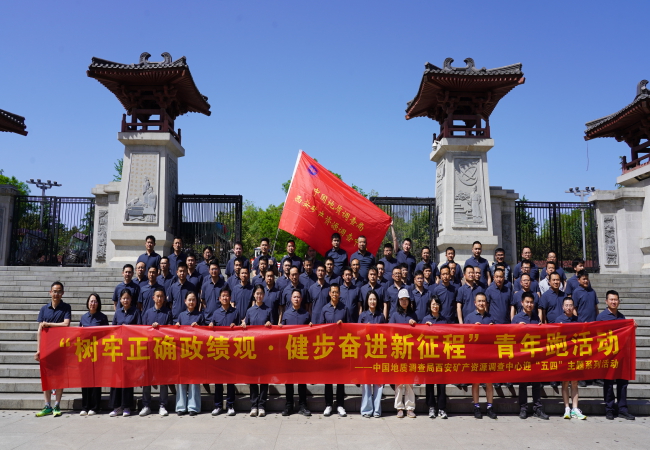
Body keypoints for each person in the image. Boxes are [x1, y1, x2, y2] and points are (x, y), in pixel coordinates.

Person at [35, 282, 72, 417]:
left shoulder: (66, 307)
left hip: (60, 347)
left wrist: (49, 324)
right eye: (54, 291)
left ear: (63, 293)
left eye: (59, 291)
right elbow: (39, 330)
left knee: (59, 377)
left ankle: (57, 405)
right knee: (46, 376)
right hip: (46, 347)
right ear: (50, 292)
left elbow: (66, 324)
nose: (56, 294)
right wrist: (38, 349)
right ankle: (47, 405)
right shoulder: (44, 309)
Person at [597, 290, 636, 420]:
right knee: (608, 383)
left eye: (616, 300)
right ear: (606, 301)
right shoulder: (601, 317)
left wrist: (632, 327)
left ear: (618, 301)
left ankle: (622, 409)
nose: (614, 302)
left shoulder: (622, 317)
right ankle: (609, 408)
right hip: (608, 355)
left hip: (621, 355)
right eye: (611, 299)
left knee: (623, 382)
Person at [512, 293, 549, 420]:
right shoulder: (516, 318)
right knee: (523, 383)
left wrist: (541, 328)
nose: (529, 304)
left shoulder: (536, 318)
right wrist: (518, 328)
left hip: (534, 355)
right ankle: (523, 408)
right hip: (522, 356)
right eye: (527, 302)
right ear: (522, 303)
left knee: (536, 383)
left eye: (531, 302)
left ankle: (537, 408)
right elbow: (511, 337)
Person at [140, 287, 173, 417]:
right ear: (153, 298)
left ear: (164, 298)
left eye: (161, 296)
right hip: (149, 351)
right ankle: (146, 405)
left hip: (163, 350)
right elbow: (143, 331)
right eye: (157, 296)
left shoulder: (168, 313)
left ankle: (162, 405)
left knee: (163, 379)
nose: (159, 298)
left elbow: (170, 331)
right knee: (147, 379)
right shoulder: (147, 313)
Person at [464, 293, 497, 419]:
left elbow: (496, 337)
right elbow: (464, 337)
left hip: (488, 355)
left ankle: (489, 407)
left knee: (489, 383)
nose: (481, 303)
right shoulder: (469, 317)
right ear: (475, 303)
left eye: (483, 301)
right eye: (479, 301)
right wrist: (473, 329)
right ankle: (476, 406)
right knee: (476, 382)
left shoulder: (491, 318)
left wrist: (493, 329)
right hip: (475, 355)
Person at [279, 289, 312, 416]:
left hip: (302, 351)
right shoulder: (286, 314)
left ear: (301, 299)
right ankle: (289, 405)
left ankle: (303, 405)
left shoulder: (306, 314)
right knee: (289, 380)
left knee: (302, 380)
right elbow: (281, 334)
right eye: (294, 297)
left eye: (298, 297)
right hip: (289, 352)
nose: (296, 299)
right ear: (291, 299)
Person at [109, 289, 142, 417]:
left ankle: (127, 406)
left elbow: (139, 329)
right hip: (118, 350)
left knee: (127, 379)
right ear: (120, 300)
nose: (125, 300)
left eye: (127, 298)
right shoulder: (118, 312)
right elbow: (113, 329)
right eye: (123, 298)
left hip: (130, 350)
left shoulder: (136, 312)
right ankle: (116, 406)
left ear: (131, 299)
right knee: (116, 378)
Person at [242, 285, 273, 417]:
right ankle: (254, 405)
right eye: (257, 293)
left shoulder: (268, 310)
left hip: (264, 348)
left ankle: (262, 405)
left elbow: (273, 329)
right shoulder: (249, 311)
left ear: (264, 295)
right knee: (253, 378)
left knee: (264, 378)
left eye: (261, 293)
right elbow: (246, 327)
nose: (259, 296)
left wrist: (269, 325)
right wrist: (244, 325)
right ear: (254, 295)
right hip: (252, 349)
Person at [209, 285, 240, 416]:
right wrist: (211, 326)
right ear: (219, 298)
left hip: (231, 350)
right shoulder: (216, 313)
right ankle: (218, 405)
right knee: (218, 380)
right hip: (219, 350)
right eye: (223, 296)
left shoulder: (235, 312)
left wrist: (236, 326)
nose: (225, 298)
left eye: (227, 296)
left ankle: (230, 405)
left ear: (230, 298)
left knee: (230, 380)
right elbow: (211, 330)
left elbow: (241, 331)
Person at [320, 284, 350, 417]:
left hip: (341, 348)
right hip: (328, 348)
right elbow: (321, 328)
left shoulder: (344, 309)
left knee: (340, 378)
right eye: (332, 292)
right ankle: (328, 404)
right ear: (329, 293)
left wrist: (343, 326)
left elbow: (350, 327)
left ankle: (340, 405)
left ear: (339, 294)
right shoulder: (324, 309)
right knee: (328, 378)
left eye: (336, 292)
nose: (334, 294)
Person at [553, 297, 586, 420]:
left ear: (573, 307)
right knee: (565, 382)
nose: (568, 307)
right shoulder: (558, 320)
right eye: (566, 305)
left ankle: (575, 408)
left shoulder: (578, 320)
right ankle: (567, 407)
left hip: (575, 355)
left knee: (575, 382)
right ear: (563, 307)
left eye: (570, 305)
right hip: (564, 356)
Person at [175, 291, 206, 416]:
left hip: (195, 352)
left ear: (196, 301)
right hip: (182, 352)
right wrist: (176, 326)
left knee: (194, 380)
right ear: (185, 301)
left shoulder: (200, 316)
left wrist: (199, 327)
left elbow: (205, 334)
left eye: (193, 299)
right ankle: (181, 406)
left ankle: (193, 407)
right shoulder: (181, 316)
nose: (191, 302)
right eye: (189, 299)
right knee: (181, 380)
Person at [77, 293, 109, 416]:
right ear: (87, 303)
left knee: (96, 381)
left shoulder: (103, 318)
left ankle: (95, 407)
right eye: (91, 301)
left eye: (95, 301)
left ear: (98, 303)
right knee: (85, 381)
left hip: (97, 353)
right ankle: (85, 406)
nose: (93, 303)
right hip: (85, 353)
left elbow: (107, 335)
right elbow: (79, 334)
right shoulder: (83, 317)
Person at [389, 289, 417, 418]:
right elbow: (390, 332)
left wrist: (414, 325)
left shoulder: (413, 315)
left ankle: (410, 407)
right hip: (398, 351)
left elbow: (418, 333)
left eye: (406, 299)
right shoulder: (395, 315)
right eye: (402, 299)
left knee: (409, 382)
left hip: (410, 351)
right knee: (399, 382)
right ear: (398, 301)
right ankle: (399, 407)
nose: (404, 302)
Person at [359, 290, 385, 418]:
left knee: (378, 382)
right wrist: (365, 329)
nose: (372, 301)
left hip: (378, 352)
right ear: (367, 301)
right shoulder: (363, 316)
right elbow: (357, 333)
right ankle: (366, 410)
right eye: (370, 299)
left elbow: (386, 333)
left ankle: (377, 410)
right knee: (366, 382)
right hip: (366, 352)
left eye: (374, 299)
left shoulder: (381, 316)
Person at [421, 296, 449, 419]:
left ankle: (442, 408)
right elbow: (420, 337)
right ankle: (431, 406)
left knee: (441, 383)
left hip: (441, 355)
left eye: (437, 304)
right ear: (430, 306)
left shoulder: (444, 320)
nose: (435, 306)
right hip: (429, 355)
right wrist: (425, 328)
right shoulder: (425, 319)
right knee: (430, 382)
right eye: (433, 304)